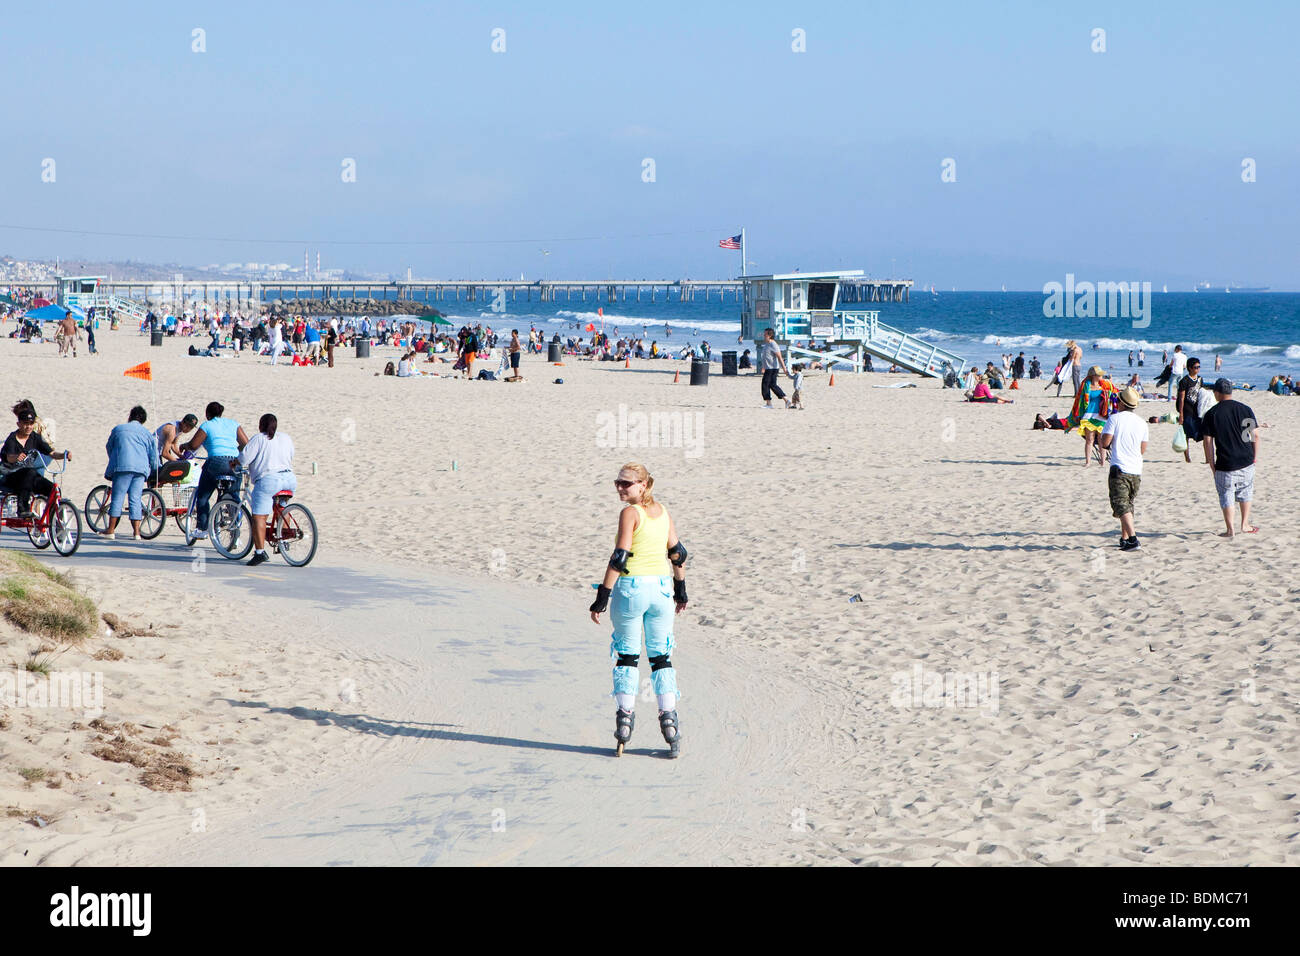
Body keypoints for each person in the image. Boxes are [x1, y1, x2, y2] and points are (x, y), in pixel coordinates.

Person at [588, 463, 687, 758]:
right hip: (661, 590)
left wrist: (602, 596)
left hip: (632, 589)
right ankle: (669, 723)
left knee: (628, 657)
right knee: (660, 657)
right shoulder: (663, 511)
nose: (620, 488)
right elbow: (678, 553)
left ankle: (624, 722)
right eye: (617, 482)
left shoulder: (630, 513)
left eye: (626, 484)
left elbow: (620, 557)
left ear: (643, 485)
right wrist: (680, 590)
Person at [181, 401, 250, 546]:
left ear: (207, 414)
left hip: (216, 462)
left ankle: (202, 528)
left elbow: (194, 445)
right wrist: (234, 452)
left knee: (203, 495)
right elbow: (246, 443)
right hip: (234, 462)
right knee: (233, 496)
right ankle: (235, 532)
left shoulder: (207, 425)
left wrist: (184, 446)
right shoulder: (233, 424)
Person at [1200, 379, 1259, 537]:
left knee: (1226, 494)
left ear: (1217, 393)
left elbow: (1207, 441)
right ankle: (1245, 524)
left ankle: (1230, 529)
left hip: (1225, 462)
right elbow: (1255, 436)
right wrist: (1254, 457)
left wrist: (1210, 462)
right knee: (1246, 492)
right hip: (1246, 459)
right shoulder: (1245, 409)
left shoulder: (1212, 413)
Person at [238, 413, 296, 566]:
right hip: (289, 479)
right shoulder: (285, 437)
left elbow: (244, 458)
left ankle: (259, 553)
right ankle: (282, 539)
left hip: (269, 480)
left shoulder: (259, 438)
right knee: (282, 508)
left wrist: (234, 463)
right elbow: (291, 455)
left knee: (259, 517)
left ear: (261, 425)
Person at [101, 406, 161, 540]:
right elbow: (153, 455)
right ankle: (137, 533)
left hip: (122, 467)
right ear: (143, 420)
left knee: (118, 497)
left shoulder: (118, 429)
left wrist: (115, 459)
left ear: (130, 416)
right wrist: (156, 468)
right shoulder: (147, 433)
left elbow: (109, 447)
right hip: (140, 469)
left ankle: (110, 530)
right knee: (135, 499)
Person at [1100, 386, 1149, 551]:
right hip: (1136, 469)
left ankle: (1133, 539)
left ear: (1120, 403)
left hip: (1119, 468)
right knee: (1128, 504)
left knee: (1121, 505)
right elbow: (1142, 449)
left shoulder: (1115, 419)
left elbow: (1105, 443)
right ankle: (1125, 538)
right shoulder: (1142, 423)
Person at [0, 403, 69, 518]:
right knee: (30, 472)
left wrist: (64, 455)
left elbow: (51, 453)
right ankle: (22, 508)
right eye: (25, 424)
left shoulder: (34, 437)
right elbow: (8, 457)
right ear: (19, 424)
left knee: (54, 490)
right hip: (10, 476)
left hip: (28, 478)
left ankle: (56, 520)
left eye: (31, 424)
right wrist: (16, 457)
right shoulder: (12, 438)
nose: (29, 427)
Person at [1066, 366, 1117, 467]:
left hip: (1101, 416)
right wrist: (1079, 415)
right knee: (1089, 440)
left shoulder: (1105, 386)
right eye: (1099, 374)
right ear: (1094, 376)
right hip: (1088, 416)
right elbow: (1080, 402)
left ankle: (1102, 462)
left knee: (1102, 440)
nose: (1102, 376)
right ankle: (1088, 462)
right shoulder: (1086, 386)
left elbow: (1115, 393)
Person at [1175, 357, 1204, 463]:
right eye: (1196, 367)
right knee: (1186, 434)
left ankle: (1207, 458)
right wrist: (1181, 414)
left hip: (1197, 410)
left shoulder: (1200, 379)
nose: (1198, 369)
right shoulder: (1184, 381)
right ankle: (1187, 457)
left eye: (1199, 367)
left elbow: (1202, 395)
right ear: (1190, 368)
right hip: (1187, 410)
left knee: (1202, 434)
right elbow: (1181, 398)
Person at [758, 328, 791, 408]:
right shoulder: (767, 344)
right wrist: (763, 367)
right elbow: (765, 357)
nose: (764, 336)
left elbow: (779, 357)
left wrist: (784, 368)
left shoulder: (773, 344)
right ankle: (786, 400)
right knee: (773, 385)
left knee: (765, 385)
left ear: (770, 335)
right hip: (768, 368)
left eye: (765, 334)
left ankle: (769, 404)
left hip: (772, 369)